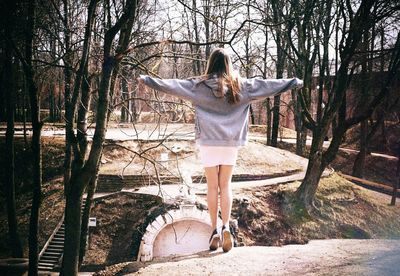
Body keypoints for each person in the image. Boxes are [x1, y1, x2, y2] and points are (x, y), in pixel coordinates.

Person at [137, 47, 303, 253]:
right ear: (228, 64)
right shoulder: (242, 86)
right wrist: (293, 82)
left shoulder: (198, 86)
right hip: (230, 143)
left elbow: (172, 85)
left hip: (208, 142)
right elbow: (269, 85)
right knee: (226, 186)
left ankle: (214, 229)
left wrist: (146, 79)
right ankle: (226, 226)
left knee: (212, 186)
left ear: (211, 63)